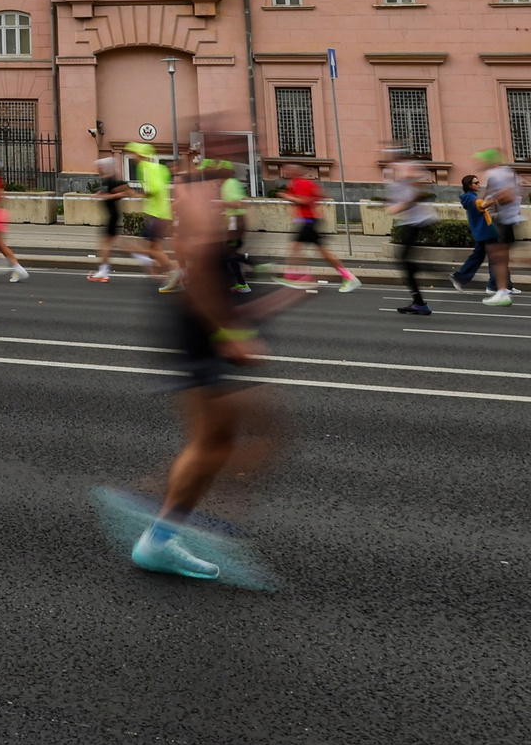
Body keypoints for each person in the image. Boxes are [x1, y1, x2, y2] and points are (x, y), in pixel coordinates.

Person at [126, 157, 296, 583]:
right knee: (222, 441)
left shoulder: (205, 216)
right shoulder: (198, 215)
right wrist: (230, 332)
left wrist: (281, 301)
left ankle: (169, 517)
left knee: (233, 437)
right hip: (201, 339)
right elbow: (199, 278)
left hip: (203, 337)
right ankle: (166, 528)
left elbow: (210, 281)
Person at [277, 164, 358, 292]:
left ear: (296, 172)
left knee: (295, 247)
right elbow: (320, 194)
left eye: (289, 170)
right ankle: (348, 277)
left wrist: (288, 197)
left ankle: (297, 277)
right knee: (321, 253)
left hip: (309, 221)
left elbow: (305, 201)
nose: (287, 172)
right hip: (308, 220)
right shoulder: (295, 183)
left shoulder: (303, 183)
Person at [384, 154, 436, 315]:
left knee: (404, 260)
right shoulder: (396, 175)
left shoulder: (409, 168)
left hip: (418, 221)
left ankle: (438, 273)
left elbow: (419, 192)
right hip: (410, 222)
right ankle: (419, 302)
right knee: (404, 261)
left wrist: (401, 206)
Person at [477, 149, 527, 307]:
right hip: (507, 220)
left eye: (481, 160)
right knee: (499, 257)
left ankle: (501, 292)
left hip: (503, 221)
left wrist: (489, 201)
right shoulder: (506, 172)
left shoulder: (496, 174)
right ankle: (502, 291)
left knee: (498, 256)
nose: (479, 164)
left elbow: (508, 196)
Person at [129, 143, 180, 292]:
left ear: (140, 155)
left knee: (155, 249)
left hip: (156, 214)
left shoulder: (144, 168)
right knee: (152, 247)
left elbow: (155, 189)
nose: (133, 157)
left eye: (134, 154)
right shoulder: (157, 168)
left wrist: (139, 194)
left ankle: (173, 272)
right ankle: (166, 275)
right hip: (161, 213)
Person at [88, 159, 138, 282]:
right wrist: (99, 194)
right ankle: (145, 258)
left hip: (113, 215)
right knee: (114, 244)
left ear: (104, 167)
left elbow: (127, 192)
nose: (97, 168)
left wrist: (107, 196)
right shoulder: (106, 179)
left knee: (105, 244)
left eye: (99, 166)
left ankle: (104, 272)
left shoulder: (111, 179)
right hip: (111, 215)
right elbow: (107, 191)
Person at [448, 174, 491, 293]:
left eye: (478, 182)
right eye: (476, 183)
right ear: (469, 185)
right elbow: (481, 204)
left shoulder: (470, 197)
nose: (479, 185)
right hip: (483, 231)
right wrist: (494, 199)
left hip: (482, 230)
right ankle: (496, 285)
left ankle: (460, 277)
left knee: (479, 256)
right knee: (487, 256)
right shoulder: (471, 198)